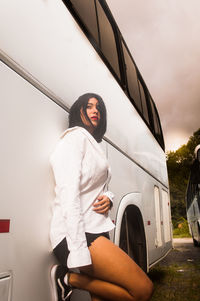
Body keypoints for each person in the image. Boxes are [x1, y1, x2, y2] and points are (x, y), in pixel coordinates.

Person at [49, 93, 153, 301]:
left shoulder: (93, 145)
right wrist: (78, 251)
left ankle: (69, 280)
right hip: (75, 235)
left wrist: (109, 198)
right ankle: (68, 280)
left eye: (98, 108)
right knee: (143, 289)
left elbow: (96, 187)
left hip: (93, 230)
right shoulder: (74, 138)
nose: (95, 110)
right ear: (79, 110)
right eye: (89, 106)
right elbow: (69, 195)